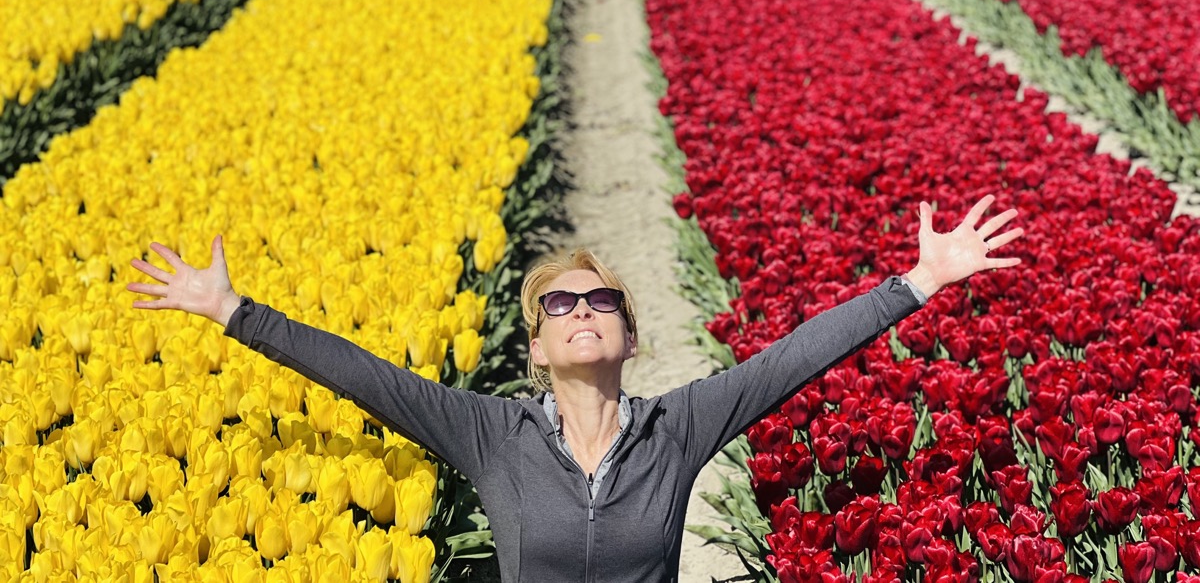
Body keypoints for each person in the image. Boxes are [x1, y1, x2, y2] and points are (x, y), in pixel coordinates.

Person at [126, 194, 1022, 582]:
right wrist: (236, 311)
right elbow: (367, 379)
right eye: (561, 302)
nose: (583, 308)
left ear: (629, 337)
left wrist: (917, 281)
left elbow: (788, 362)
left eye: (603, 301)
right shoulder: (492, 435)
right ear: (539, 344)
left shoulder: (678, 427)